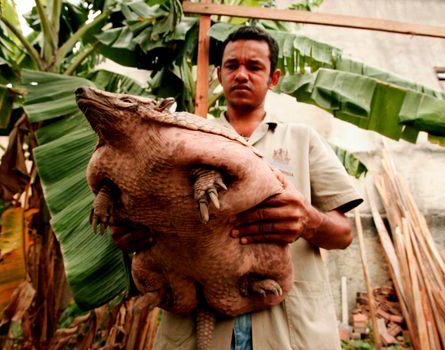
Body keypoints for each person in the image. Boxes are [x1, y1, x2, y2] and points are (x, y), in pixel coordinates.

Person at [152, 25, 363, 350]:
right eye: (232, 66)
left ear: (273, 78)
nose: (242, 75)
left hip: (288, 326)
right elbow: (154, 213)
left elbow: (343, 234)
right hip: (200, 322)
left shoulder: (302, 139)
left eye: (254, 67)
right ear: (219, 74)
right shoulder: (188, 139)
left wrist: (310, 220)